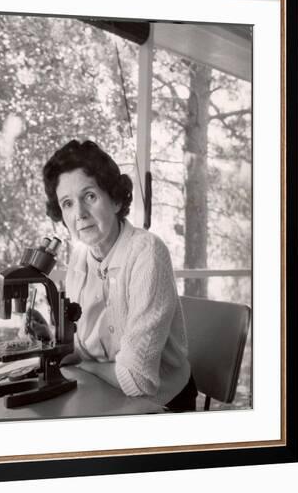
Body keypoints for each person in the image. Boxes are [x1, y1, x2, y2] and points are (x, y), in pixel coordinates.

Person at [42, 139, 197, 411]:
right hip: (105, 391)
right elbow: (82, 346)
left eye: (90, 196)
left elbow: (138, 381)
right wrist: (55, 343)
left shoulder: (147, 252)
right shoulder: (79, 257)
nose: (79, 214)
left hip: (163, 403)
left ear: (114, 199)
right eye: (67, 203)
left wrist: (86, 365)